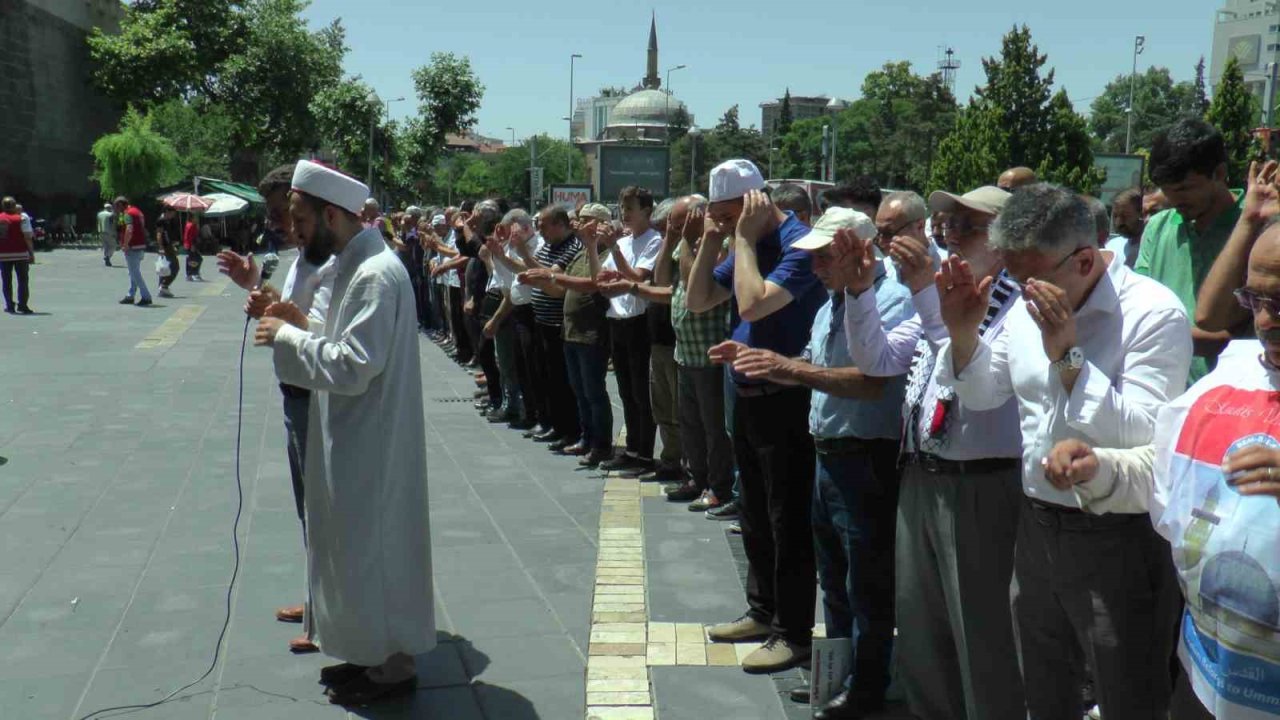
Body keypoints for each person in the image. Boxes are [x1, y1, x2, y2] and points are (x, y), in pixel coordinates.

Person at [937, 183, 1192, 719]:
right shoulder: (1028, 304)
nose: (1021, 290)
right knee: (1044, 684)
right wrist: (963, 333)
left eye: (1031, 277)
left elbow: (1144, 436)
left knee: (1128, 691)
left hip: (1118, 533)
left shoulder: (1152, 313)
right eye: (1012, 275)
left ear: (1082, 261)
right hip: (1035, 526)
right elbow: (983, 393)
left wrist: (1068, 356)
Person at [1044, 213, 1280, 720]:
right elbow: (1168, 472)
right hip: (1210, 676)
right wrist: (1100, 468)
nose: (1264, 321)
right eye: (1255, 301)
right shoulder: (1231, 375)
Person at [253, 160, 432, 706]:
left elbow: (355, 364)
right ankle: (370, 654)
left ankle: (393, 666)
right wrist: (300, 326)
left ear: (333, 214)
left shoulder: (375, 272)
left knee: (373, 552)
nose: (296, 230)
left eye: (301, 218)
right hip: (356, 432)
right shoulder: (358, 265)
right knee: (356, 552)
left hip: (369, 440)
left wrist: (286, 335)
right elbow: (342, 340)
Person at [844, 184, 1027, 719]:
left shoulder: (1018, 304)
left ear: (1004, 239)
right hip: (923, 475)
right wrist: (858, 295)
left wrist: (926, 291)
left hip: (981, 482)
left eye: (965, 226)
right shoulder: (947, 292)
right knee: (922, 632)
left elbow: (964, 362)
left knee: (980, 639)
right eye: (945, 224)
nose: (948, 235)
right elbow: (877, 358)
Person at [732, 207, 912, 718]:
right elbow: (815, 367)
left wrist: (789, 369)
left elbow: (870, 381)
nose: (815, 268)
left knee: (866, 586)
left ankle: (867, 686)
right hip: (830, 454)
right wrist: (765, 363)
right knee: (834, 579)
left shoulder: (893, 301)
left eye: (824, 257)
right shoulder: (831, 303)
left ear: (860, 250)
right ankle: (839, 677)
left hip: (866, 459)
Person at [687, 159, 826, 674]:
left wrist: (740, 240)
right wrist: (709, 239)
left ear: (753, 203)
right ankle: (763, 610)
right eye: (715, 217)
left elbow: (751, 306)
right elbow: (700, 298)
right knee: (754, 513)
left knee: (786, 519)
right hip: (747, 395)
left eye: (725, 215)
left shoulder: (799, 245)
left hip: (787, 398)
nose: (721, 225)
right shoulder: (742, 239)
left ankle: (793, 631)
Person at [217, 163, 338, 654]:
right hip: (296, 395)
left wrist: (280, 314)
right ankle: (319, 600)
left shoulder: (333, 263)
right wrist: (255, 289)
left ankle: (329, 613)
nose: (278, 223)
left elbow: (326, 336)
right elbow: (287, 313)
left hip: (317, 397)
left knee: (323, 510)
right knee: (308, 509)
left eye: (282, 213)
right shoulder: (301, 258)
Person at [1138, 117, 1242, 384]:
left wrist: (1161, 336)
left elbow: (1249, 336)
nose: (1174, 200)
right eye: (1167, 190)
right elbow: (1140, 308)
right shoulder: (1159, 227)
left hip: (1231, 398)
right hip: (1164, 392)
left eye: (1184, 189)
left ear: (1219, 174)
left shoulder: (1257, 229)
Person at [523, 203, 614, 466]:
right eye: (579, 220)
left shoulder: (604, 252)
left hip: (591, 332)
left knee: (594, 391)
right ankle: (586, 438)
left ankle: (601, 444)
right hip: (571, 332)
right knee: (579, 390)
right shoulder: (581, 253)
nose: (578, 225)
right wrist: (548, 276)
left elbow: (594, 284)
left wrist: (551, 277)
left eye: (586, 221)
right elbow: (561, 282)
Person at [594, 187, 663, 472]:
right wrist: (592, 245)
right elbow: (601, 278)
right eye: (622, 209)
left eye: (630, 209)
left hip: (638, 324)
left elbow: (637, 277)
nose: (625, 215)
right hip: (616, 321)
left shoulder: (653, 241)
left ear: (647, 211)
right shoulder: (623, 242)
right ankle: (632, 450)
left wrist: (613, 249)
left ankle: (645, 454)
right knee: (625, 391)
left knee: (640, 394)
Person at [517, 206, 583, 449]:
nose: (540, 230)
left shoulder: (572, 247)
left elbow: (550, 277)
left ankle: (569, 429)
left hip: (558, 323)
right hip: (542, 321)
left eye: (543, 225)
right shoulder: (548, 246)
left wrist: (528, 263)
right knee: (545, 377)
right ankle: (554, 424)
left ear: (559, 224)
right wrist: (527, 260)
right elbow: (539, 269)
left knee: (562, 381)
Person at [115, 196, 152, 307]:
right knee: (133, 272)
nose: (116, 209)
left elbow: (129, 229)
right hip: (140, 245)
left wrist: (125, 244)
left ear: (122, 204)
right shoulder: (137, 211)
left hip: (133, 246)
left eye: (117, 206)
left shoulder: (128, 213)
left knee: (135, 273)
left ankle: (146, 296)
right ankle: (130, 295)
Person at [0, 196, 34, 314]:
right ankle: (23, 305)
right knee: (23, 280)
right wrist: (31, 253)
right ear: (15, 206)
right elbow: (28, 237)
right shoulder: (22, 218)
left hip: (3, 255)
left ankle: (9, 305)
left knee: (6, 280)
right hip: (20, 253)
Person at [1106, 188, 1145, 268]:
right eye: (1115, 216)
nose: (1118, 222)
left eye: (1125, 216)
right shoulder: (1111, 247)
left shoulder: (1151, 249)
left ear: (1141, 214)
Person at [155, 209, 181, 298]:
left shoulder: (169, 221)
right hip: (165, 247)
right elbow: (159, 234)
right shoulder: (161, 220)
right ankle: (164, 285)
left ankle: (162, 287)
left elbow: (169, 235)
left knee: (165, 267)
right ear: (167, 212)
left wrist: (174, 245)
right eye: (173, 212)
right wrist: (161, 248)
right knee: (175, 266)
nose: (174, 215)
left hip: (169, 245)